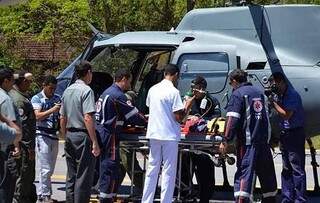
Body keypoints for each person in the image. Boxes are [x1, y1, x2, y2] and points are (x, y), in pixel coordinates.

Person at [219, 69, 277, 203]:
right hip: (263, 143)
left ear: (234, 81)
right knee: (267, 175)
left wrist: (225, 139)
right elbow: (266, 118)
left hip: (248, 144)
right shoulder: (260, 93)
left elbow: (232, 120)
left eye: (230, 83)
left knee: (245, 174)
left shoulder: (238, 94)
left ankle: (241, 200)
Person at [141, 64, 194, 203]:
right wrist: (187, 105)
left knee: (152, 169)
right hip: (169, 135)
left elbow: (149, 106)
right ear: (176, 75)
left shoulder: (153, 89)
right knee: (168, 171)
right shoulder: (173, 92)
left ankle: (146, 200)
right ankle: (165, 200)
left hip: (154, 133)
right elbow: (179, 117)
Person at [95, 69, 147, 203]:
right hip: (110, 135)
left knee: (107, 167)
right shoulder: (118, 95)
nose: (130, 84)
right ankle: (106, 198)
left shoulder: (106, 92)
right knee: (110, 167)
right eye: (129, 80)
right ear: (124, 79)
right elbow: (134, 116)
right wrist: (148, 121)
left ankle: (106, 196)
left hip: (101, 133)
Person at [60, 60, 100, 203]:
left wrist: (65, 136)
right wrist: (94, 141)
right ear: (88, 73)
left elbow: (62, 118)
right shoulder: (87, 91)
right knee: (84, 175)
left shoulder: (67, 90)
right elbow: (88, 117)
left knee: (71, 175)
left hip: (70, 134)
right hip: (83, 135)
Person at [268, 72, 306, 202]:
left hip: (294, 134)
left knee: (296, 169)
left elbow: (286, 114)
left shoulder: (292, 95)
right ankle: (287, 198)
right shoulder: (281, 95)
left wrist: (273, 103)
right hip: (285, 134)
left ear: (281, 82)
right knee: (286, 169)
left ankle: (299, 199)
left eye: (275, 85)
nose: (274, 88)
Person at [181, 76, 219, 203]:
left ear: (202, 89)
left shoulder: (211, 101)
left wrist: (202, 121)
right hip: (188, 142)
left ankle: (205, 198)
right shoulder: (189, 100)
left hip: (203, 145)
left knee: (205, 171)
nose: (193, 91)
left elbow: (216, 117)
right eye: (191, 88)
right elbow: (180, 117)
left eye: (195, 89)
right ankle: (185, 195)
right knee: (184, 169)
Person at [31, 75, 61, 203]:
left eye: (54, 88)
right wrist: (52, 109)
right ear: (44, 85)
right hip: (42, 135)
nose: (52, 91)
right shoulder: (37, 98)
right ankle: (44, 194)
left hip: (54, 135)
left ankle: (46, 193)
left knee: (51, 168)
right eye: (50, 88)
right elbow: (37, 116)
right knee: (45, 167)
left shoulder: (57, 98)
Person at [9, 70, 37, 203]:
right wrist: (30, 148)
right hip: (23, 146)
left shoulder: (15, 95)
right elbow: (23, 127)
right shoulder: (19, 100)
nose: (30, 84)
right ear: (23, 81)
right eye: (29, 82)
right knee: (23, 177)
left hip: (17, 144)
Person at [0, 67, 22, 203]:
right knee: (6, 186)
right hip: (5, 148)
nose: (14, 84)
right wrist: (17, 147)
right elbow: (12, 127)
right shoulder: (6, 99)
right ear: (5, 81)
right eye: (12, 81)